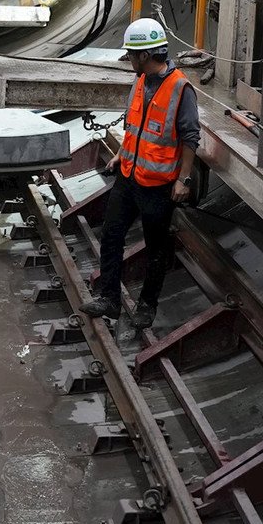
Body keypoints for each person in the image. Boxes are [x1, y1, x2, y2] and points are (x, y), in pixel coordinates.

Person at [81, 18, 199, 329]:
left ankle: (147, 305)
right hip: (129, 176)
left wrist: (183, 180)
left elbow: (190, 137)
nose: (129, 60)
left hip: (159, 186)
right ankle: (109, 298)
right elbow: (135, 127)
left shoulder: (180, 89)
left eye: (132, 55)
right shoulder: (140, 81)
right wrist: (121, 154)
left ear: (145, 56)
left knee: (155, 247)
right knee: (111, 235)